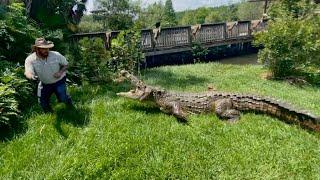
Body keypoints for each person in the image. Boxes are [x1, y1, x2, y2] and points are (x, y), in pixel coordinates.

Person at [24, 37, 73, 113]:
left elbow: (66, 65)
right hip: (45, 83)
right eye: (43, 48)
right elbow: (28, 72)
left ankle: (70, 107)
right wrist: (31, 76)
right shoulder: (30, 59)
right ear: (37, 49)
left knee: (63, 98)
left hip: (59, 81)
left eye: (47, 48)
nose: (46, 50)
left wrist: (60, 72)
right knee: (42, 103)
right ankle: (50, 115)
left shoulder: (56, 55)